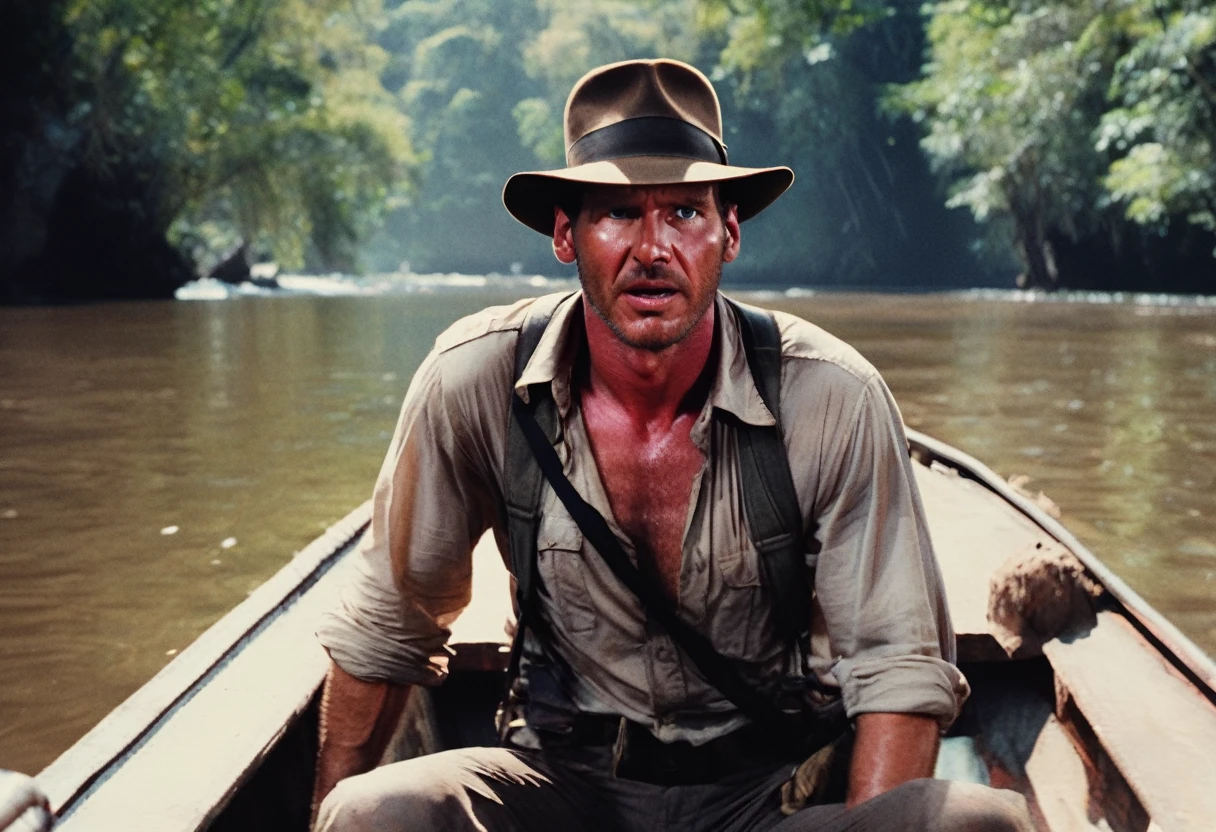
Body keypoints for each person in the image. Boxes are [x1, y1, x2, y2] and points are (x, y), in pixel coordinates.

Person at [310, 59, 1032, 831]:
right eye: (617, 215)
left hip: (769, 791)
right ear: (565, 233)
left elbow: (898, 674)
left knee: (977, 824)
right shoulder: (477, 380)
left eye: (684, 213)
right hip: (562, 784)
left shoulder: (830, 396)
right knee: (370, 814)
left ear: (729, 233)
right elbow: (389, 628)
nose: (651, 248)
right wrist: (322, 809)